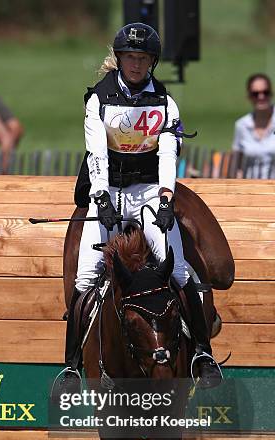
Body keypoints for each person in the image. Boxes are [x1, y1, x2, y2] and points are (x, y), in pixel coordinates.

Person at [55, 23, 222, 395]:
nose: (135, 64)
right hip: (109, 188)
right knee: (84, 279)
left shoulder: (165, 102)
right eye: (130, 57)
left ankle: (202, 354)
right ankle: (70, 367)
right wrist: (100, 196)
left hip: (147, 188)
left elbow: (167, 153)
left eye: (142, 58)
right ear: (119, 59)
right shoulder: (99, 99)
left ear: (152, 62)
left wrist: (165, 198)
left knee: (177, 269)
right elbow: (95, 151)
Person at [232, 73, 275, 178]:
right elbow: (236, 164)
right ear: (249, 96)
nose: (261, 96)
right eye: (256, 93)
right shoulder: (242, 125)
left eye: (265, 92)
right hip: (252, 190)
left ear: (271, 94)